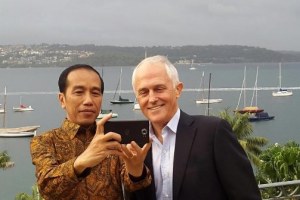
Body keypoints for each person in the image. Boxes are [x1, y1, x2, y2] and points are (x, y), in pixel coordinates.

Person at [130, 55, 262, 200]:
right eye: (143, 92)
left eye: (159, 89)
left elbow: (246, 194)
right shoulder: (135, 145)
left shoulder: (212, 132)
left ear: (178, 90)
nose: (152, 98)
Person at [30, 64, 152, 200]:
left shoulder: (112, 137)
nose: (88, 101)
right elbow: (47, 188)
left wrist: (136, 168)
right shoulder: (44, 141)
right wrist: (82, 161)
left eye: (95, 93)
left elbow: (135, 185)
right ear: (62, 99)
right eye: (79, 92)